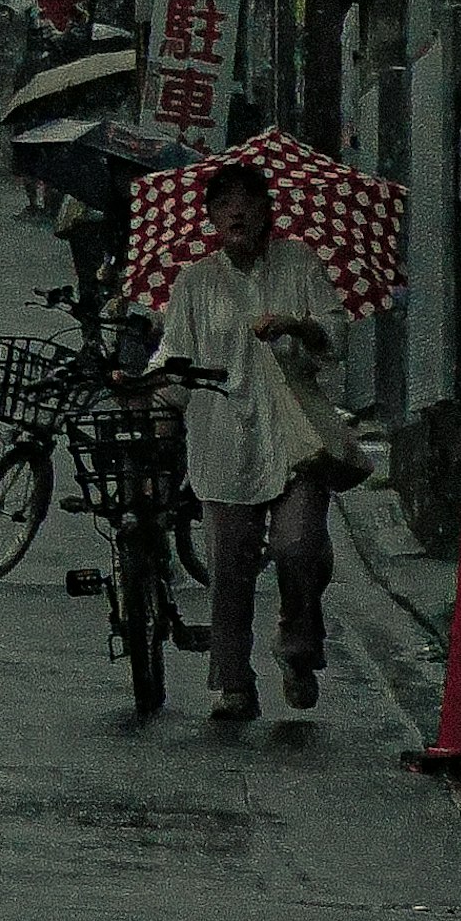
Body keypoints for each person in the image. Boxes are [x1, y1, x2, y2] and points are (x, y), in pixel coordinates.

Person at [148, 158, 353, 723]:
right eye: (224, 204)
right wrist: (146, 384)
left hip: (293, 437)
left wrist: (295, 325)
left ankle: (298, 648)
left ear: (267, 211)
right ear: (211, 216)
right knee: (229, 567)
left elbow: (334, 336)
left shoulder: (299, 265)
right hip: (221, 438)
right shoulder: (195, 282)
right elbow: (173, 355)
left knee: (299, 547)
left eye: (247, 201)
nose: (236, 212)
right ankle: (233, 680)